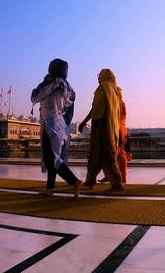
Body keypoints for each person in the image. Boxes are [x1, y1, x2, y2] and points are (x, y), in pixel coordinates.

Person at [31, 59, 83, 197]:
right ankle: (50, 189)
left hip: (50, 124)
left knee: (51, 159)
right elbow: (70, 101)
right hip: (60, 124)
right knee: (53, 158)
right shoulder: (66, 86)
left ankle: (74, 182)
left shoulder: (50, 82)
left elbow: (34, 97)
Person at [80, 68, 124, 192]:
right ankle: (91, 182)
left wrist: (84, 122)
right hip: (112, 127)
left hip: (101, 126)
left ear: (104, 76)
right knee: (105, 156)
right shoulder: (116, 91)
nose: (98, 77)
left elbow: (95, 109)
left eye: (99, 75)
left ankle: (117, 184)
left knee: (100, 156)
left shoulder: (103, 88)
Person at [78, 89, 131, 184]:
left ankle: (113, 180)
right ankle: (119, 178)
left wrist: (85, 122)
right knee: (118, 155)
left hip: (115, 129)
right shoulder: (122, 103)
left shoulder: (114, 102)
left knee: (108, 155)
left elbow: (97, 110)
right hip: (123, 131)